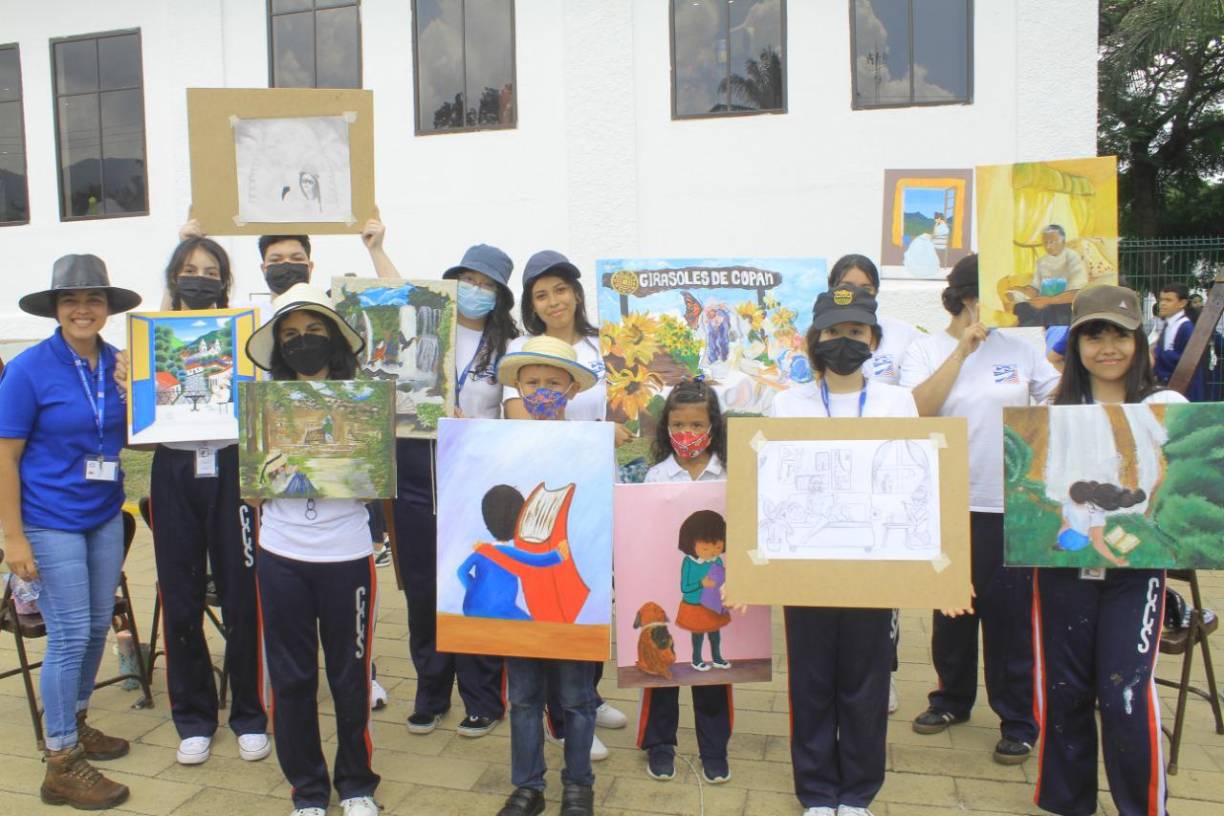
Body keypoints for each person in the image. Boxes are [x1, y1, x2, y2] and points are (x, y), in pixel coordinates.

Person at [901, 255, 1060, 764]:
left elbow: (1057, 401)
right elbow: (917, 409)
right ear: (968, 297)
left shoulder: (1022, 348)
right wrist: (961, 352)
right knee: (952, 610)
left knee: (1011, 616)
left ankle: (1017, 717)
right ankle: (951, 698)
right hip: (947, 501)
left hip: (1011, 502)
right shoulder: (926, 348)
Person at [1032, 284, 1183, 816]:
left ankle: (1142, 807)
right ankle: (1069, 804)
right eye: (1093, 336)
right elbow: (1052, 488)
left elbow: (1180, 484)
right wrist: (1085, 510)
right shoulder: (1050, 410)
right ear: (1075, 347)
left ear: (1139, 341)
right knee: (1066, 691)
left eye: (1119, 334)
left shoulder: (1165, 408)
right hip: (1063, 569)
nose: (1107, 348)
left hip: (1135, 574)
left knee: (1125, 694)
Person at [770, 284, 918, 816]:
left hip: (874, 566)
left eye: (855, 331)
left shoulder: (898, 402)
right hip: (806, 567)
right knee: (810, 681)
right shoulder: (786, 403)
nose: (843, 341)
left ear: (873, 339)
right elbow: (772, 486)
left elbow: (912, 480)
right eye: (832, 332)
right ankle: (815, 791)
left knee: (865, 681)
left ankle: (857, 793)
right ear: (815, 339)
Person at [0, 255, 142, 809]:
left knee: (92, 625)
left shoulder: (117, 362)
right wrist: (12, 538)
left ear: (107, 309)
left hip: (102, 514)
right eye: (71, 300)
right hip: (47, 518)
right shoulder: (29, 369)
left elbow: (130, 435)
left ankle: (75, 721)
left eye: (94, 299)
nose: (83, 309)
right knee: (69, 634)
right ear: (56, 309)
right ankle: (60, 761)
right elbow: (6, 457)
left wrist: (138, 394)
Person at [366, 237, 515, 739]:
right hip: (416, 478)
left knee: (476, 588)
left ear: (498, 295)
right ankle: (431, 695)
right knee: (424, 592)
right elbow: (393, 296)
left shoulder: (508, 347)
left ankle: (483, 698)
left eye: (485, 284)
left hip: (475, 481)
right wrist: (377, 248)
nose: (474, 290)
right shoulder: (432, 327)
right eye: (467, 280)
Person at [243, 284, 380, 816]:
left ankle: (356, 783)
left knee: (350, 674)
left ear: (335, 341)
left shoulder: (364, 402)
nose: (303, 343)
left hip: (347, 555)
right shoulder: (262, 405)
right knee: (293, 675)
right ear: (279, 346)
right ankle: (306, 789)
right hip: (281, 555)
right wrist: (267, 471)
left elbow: (372, 484)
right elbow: (251, 489)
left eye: (315, 332)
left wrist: (355, 463)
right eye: (291, 335)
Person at [141, 236, 270, 767]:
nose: (200, 278)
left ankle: (248, 715)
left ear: (224, 280)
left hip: (232, 468)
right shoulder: (151, 335)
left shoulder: (243, 335)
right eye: (190, 269)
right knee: (181, 595)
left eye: (210, 270)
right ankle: (193, 718)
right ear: (175, 278)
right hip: (174, 470)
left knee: (241, 596)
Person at [503, 251, 629, 758]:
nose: (553, 301)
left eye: (560, 289)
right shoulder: (521, 349)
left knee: (593, 594)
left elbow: (624, 414)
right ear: (531, 305)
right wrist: (592, 434)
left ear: (577, 292)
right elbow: (517, 420)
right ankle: (560, 716)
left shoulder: (606, 348)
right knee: (552, 593)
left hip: (597, 489)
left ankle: (588, 696)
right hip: (545, 493)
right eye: (540, 294)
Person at [494, 335, 600, 816]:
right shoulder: (495, 445)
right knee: (523, 697)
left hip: (570, 595)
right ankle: (528, 787)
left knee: (578, 698)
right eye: (532, 382)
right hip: (521, 597)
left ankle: (579, 784)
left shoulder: (590, 444)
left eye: (552, 383)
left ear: (571, 390)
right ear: (517, 386)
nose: (541, 391)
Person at [825, 254, 920, 714]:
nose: (857, 293)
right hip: (826, 497)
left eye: (865, 287)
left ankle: (885, 674)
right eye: (847, 285)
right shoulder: (813, 350)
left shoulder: (902, 343)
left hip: (879, 496)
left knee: (882, 606)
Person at [636, 380, 735, 785]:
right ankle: (660, 745)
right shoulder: (655, 475)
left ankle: (714, 750)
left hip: (720, 592)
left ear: (713, 426)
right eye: (678, 425)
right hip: (666, 586)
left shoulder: (729, 474)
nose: (687, 434)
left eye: (697, 424)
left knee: (712, 674)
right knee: (663, 668)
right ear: (666, 427)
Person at [1010, 224, 1087, 327]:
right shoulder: (1041, 262)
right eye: (1045, 242)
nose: (1048, 246)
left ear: (1063, 242)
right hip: (1045, 303)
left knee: (1047, 312)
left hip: (1064, 304)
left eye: (1052, 242)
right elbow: (1035, 289)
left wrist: (1049, 301)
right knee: (1020, 307)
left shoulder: (1072, 258)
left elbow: (1077, 292)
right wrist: (1019, 290)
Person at [1153, 282, 1207, 401]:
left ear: (1182, 303)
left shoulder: (1185, 328)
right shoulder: (1169, 325)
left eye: (1168, 300)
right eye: (1161, 299)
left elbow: (1187, 362)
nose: (1162, 303)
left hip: (1186, 391)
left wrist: (1156, 354)